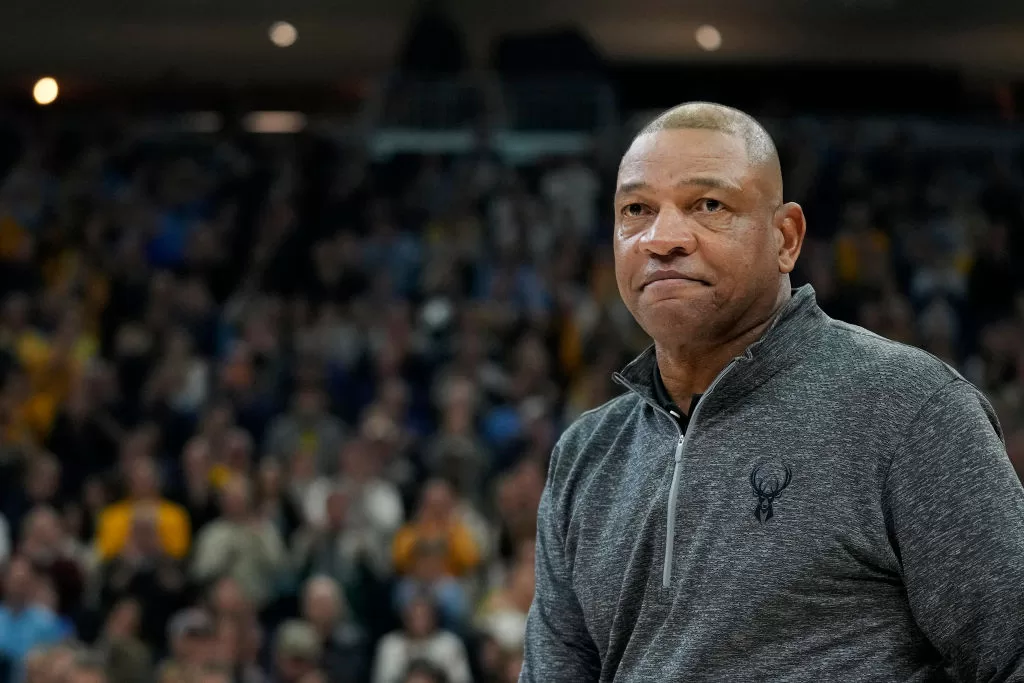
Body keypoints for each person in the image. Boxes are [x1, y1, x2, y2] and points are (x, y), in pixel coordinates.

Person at [520, 102, 1024, 682]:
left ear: (786, 238)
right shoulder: (586, 453)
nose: (662, 238)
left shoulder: (911, 411)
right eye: (636, 209)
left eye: (708, 205)